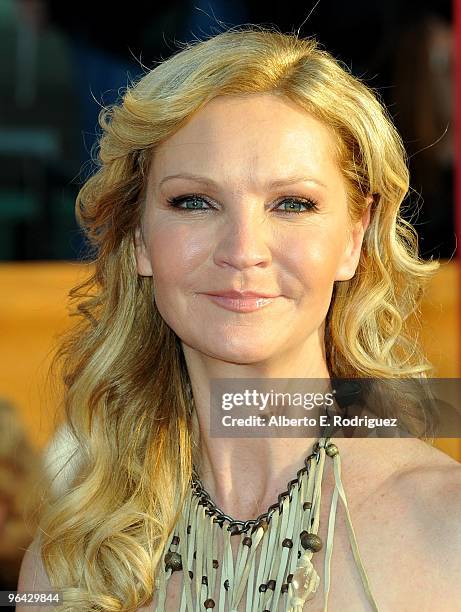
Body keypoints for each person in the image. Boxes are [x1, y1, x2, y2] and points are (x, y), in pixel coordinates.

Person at [17, 25, 461, 611]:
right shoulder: (69, 564)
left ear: (354, 237)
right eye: (194, 202)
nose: (243, 248)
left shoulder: (446, 532)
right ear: (139, 237)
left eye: (292, 204)